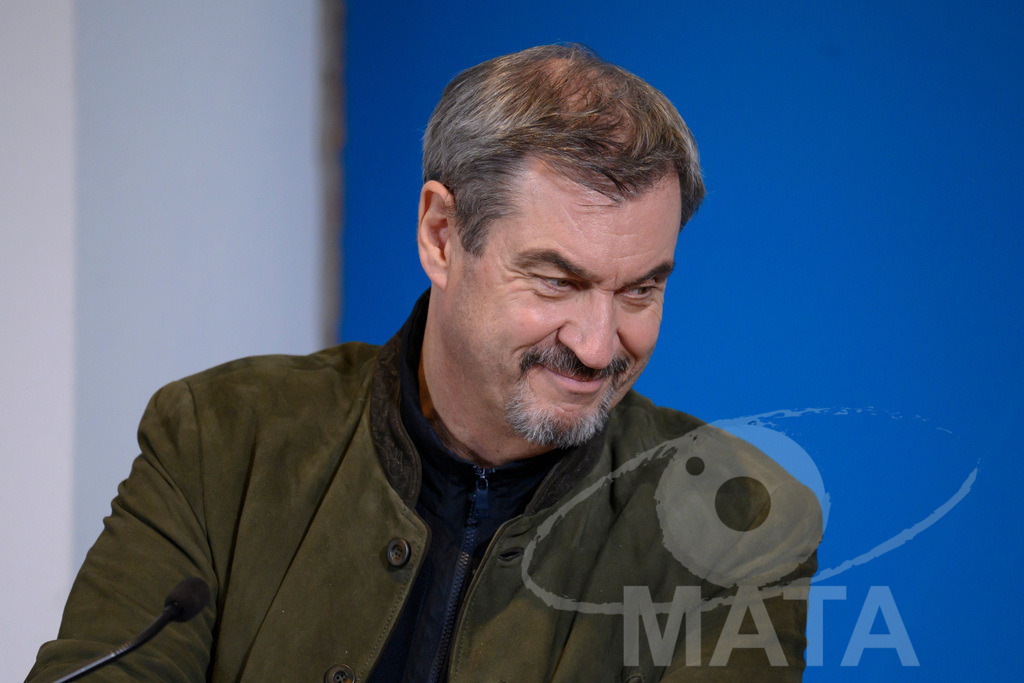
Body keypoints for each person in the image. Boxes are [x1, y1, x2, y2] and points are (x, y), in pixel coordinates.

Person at [28, 44, 821, 682]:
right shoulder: (220, 437)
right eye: (556, 280)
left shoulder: (740, 519)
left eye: (641, 290)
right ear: (443, 235)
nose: (598, 343)